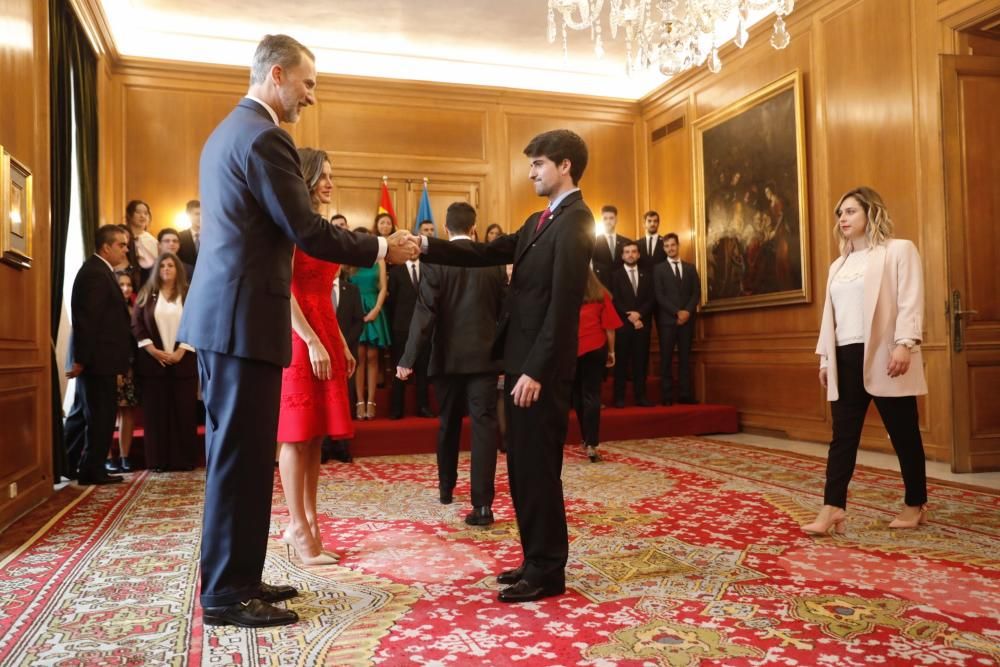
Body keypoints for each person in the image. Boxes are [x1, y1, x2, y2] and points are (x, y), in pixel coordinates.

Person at [176, 33, 417, 628]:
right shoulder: (264, 137)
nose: (312, 96)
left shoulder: (230, 131)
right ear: (277, 75)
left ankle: (239, 575)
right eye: (307, 83)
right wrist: (383, 246)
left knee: (246, 453)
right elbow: (308, 230)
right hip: (240, 319)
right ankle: (227, 594)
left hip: (232, 317)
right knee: (239, 457)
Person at [418, 129, 594, 603]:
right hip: (518, 364)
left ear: (564, 167)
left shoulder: (577, 221)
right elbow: (485, 252)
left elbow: (563, 306)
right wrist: (426, 248)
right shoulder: (541, 220)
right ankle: (534, 557)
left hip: (540, 370)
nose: (531, 171)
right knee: (522, 468)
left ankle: (548, 569)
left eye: (538, 163)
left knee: (538, 469)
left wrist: (536, 370)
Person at [805, 186, 928, 535]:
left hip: (886, 354)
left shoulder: (898, 250)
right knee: (842, 436)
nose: (843, 218)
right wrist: (825, 359)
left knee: (903, 432)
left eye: (850, 211)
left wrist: (905, 344)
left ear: (870, 212)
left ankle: (915, 503)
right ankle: (832, 508)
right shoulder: (837, 265)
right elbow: (831, 316)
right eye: (840, 213)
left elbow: (910, 300)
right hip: (845, 357)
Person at [397, 201, 505, 525]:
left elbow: (425, 312)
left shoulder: (436, 260)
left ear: (445, 229)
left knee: (448, 423)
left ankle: (446, 488)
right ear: (474, 228)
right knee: (485, 427)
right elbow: (504, 311)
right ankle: (483, 506)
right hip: (486, 359)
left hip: (447, 359)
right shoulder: (493, 262)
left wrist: (408, 358)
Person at [277, 148, 357, 566]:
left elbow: (323, 292)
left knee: (315, 435)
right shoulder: (290, 225)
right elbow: (284, 288)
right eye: (322, 175)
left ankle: (308, 520)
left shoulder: (318, 226)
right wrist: (309, 339)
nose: (329, 182)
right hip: (297, 334)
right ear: (304, 178)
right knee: (295, 432)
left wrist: (338, 340)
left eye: (331, 174)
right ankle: (296, 524)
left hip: (323, 327)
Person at [65, 225, 133, 485]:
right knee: (101, 415)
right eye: (121, 245)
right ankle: (92, 470)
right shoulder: (96, 273)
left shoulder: (99, 270)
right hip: (97, 361)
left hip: (97, 359)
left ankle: (71, 464)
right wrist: (81, 359)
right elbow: (87, 321)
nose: (126, 249)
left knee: (83, 413)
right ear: (107, 247)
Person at [132, 252, 199, 472]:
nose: (166, 269)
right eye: (162, 266)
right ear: (156, 270)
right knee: (156, 414)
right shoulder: (147, 294)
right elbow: (137, 324)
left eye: (171, 265)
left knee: (184, 413)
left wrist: (182, 351)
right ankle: (158, 461)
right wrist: (152, 350)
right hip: (154, 364)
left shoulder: (189, 294)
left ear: (178, 269)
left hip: (183, 362)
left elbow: (198, 322)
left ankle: (184, 460)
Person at [572, 270, 622, 462]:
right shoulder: (602, 296)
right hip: (596, 347)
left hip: (574, 349)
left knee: (577, 395)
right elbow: (609, 328)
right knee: (592, 394)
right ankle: (592, 443)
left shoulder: (568, 296)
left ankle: (585, 438)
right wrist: (612, 352)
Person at [348, 226, 392, 420]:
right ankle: (359, 401)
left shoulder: (379, 259)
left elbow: (383, 287)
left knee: (374, 356)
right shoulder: (349, 261)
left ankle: (371, 401)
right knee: (359, 357)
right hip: (355, 310)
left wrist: (376, 310)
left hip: (375, 308)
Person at [653, 233, 700, 405]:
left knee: (685, 359)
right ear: (664, 248)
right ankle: (666, 397)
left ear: (678, 245)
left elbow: (696, 293)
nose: (670, 249)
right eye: (666, 246)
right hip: (667, 321)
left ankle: (685, 395)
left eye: (672, 245)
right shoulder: (659, 269)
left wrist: (686, 312)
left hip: (687, 321)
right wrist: (676, 312)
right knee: (666, 359)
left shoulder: (690, 268)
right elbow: (659, 295)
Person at [323, 264, 364, 463]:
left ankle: (342, 447)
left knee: (343, 399)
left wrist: (343, 345)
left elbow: (359, 321)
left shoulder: (352, 290)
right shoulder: (319, 291)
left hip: (345, 355)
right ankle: (323, 448)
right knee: (323, 400)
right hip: (320, 353)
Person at [387, 256, 433, 419]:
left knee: (423, 369)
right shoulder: (395, 272)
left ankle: (423, 407)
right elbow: (390, 302)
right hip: (401, 327)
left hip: (424, 328)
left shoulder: (429, 270)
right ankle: (396, 409)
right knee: (399, 368)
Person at [610, 241, 655, 407]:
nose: (630, 254)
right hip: (623, 324)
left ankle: (641, 397)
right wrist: (630, 316)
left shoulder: (647, 275)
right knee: (621, 363)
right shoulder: (615, 275)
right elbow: (613, 299)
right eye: (627, 252)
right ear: (622, 255)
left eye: (634, 251)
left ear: (638, 254)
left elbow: (651, 298)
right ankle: (619, 398)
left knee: (640, 362)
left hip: (642, 325)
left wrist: (639, 314)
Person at [107, 271, 139, 473]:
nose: (126, 288)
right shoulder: (107, 310)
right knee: (108, 413)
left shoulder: (134, 309)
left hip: (131, 367)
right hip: (110, 367)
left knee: (128, 412)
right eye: (122, 285)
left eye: (129, 285)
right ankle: (108, 457)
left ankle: (125, 456)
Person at [591, 204, 630, 289]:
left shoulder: (626, 242)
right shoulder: (594, 242)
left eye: (611, 218)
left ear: (616, 220)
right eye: (605, 218)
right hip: (602, 284)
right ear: (602, 221)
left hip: (623, 284)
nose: (608, 221)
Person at [125, 200, 158, 285]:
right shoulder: (122, 235)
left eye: (146, 213)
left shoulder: (152, 240)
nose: (142, 216)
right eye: (138, 212)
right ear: (130, 215)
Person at [177, 199, 201, 273]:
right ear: (189, 215)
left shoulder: (212, 237)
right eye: (197, 214)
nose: (200, 217)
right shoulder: (179, 237)